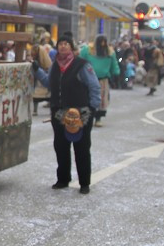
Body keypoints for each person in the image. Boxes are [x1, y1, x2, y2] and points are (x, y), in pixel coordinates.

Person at [33, 32, 101, 194]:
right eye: (60, 43)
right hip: (59, 111)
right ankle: (63, 179)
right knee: (61, 146)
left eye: (66, 43)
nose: (63, 46)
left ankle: (84, 183)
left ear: (71, 47)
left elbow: (94, 86)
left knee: (82, 147)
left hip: (81, 111)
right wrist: (36, 70)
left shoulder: (82, 64)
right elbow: (49, 83)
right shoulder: (55, 65)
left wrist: (92, 108)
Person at [80, 35, 120, 126]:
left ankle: (98, 118)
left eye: (104, 42)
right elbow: (80, 61)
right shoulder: (87, 50)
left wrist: (116, 73)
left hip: (103, 80)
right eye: (100, 42)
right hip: (88, 79)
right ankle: (86, 116)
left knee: (101, 100)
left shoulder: (110, 52)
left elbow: (114, 65)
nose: (102, 44)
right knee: (87, 98)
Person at [30, 37, 52, 116]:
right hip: (41, 87)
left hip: (41, 86)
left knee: (37, 96)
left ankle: (35, 110)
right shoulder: (47, 62)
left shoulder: (43, 62)